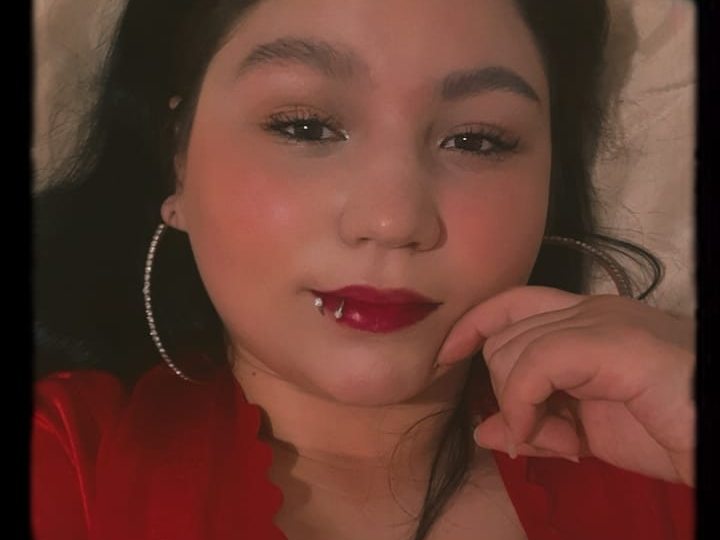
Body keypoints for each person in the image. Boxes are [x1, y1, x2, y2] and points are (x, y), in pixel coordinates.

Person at [32, 1, 696, 539]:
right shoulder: (64, 461)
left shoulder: (660, 443)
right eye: (305, 127)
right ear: (178, 155)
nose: (393, 219)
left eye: (476, 140)